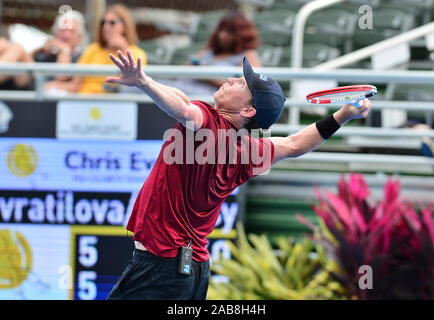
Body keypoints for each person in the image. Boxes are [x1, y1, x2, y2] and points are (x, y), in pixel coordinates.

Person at [105, 49, 372, 300]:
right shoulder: (247, 150)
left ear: (247, 111)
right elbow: (295, 144)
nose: (231, 79)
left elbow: (184, 109)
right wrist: (344, 114)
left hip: (160, 266)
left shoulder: (209, 123)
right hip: (193, 270)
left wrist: (143, 83)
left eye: (241, 85)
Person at [165, 11, 261, 96]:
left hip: (202, 99)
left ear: (242, 34)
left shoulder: (248, 55)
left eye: (229, 32)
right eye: (221, 30)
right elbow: (175, 75)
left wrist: (206, 75)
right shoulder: (210, 51)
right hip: (178, 89)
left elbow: (246, 88)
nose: (222, 35)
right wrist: (191, 65)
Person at [56, 4, 147, 94]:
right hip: (85, 101)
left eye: (112, 23)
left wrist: (124, 48)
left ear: (124, 26)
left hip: (116, 104)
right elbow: (75, 85)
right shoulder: (92, 50)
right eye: (103, 23)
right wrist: (53, 86)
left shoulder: (137, 53)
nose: (106, 27)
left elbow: (133, 87)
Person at [35, 10, 88, 91]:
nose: (66, 35)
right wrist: (43, 48)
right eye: (63, 30)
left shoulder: (84, 56)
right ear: (55, 33)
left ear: (80, 37)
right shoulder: (44, 54)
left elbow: (61, 76)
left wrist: (64, 50)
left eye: (71, 31)